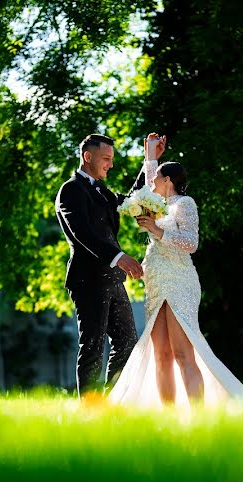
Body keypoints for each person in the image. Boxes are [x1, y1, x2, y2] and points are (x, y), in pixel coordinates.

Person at [108, 134, 243, 410]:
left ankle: (198, 415)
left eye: (157, 178)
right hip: (155, 280)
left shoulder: (184, 204)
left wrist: (156, 229)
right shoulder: (157, 202)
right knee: (161, 353)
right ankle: (169, 418)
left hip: (178, 280)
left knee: (182, 351)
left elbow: (191, 243)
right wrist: (151, 153)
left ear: (168, 181)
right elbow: (147, 184)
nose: (151, 181)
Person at [55, 133, 163, 398]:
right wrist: (119, 257)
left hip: (113, 280)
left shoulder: (102, 191)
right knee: (92, 346)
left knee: (127, 343)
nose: (110, 165)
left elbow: (132, 200)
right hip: (87, 280)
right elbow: (81, 231)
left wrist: (149, 158)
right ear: (87, 157)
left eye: (112, 159)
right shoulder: (70, 190)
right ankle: (90, 411)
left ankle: (112, 403)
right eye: (106, 159)